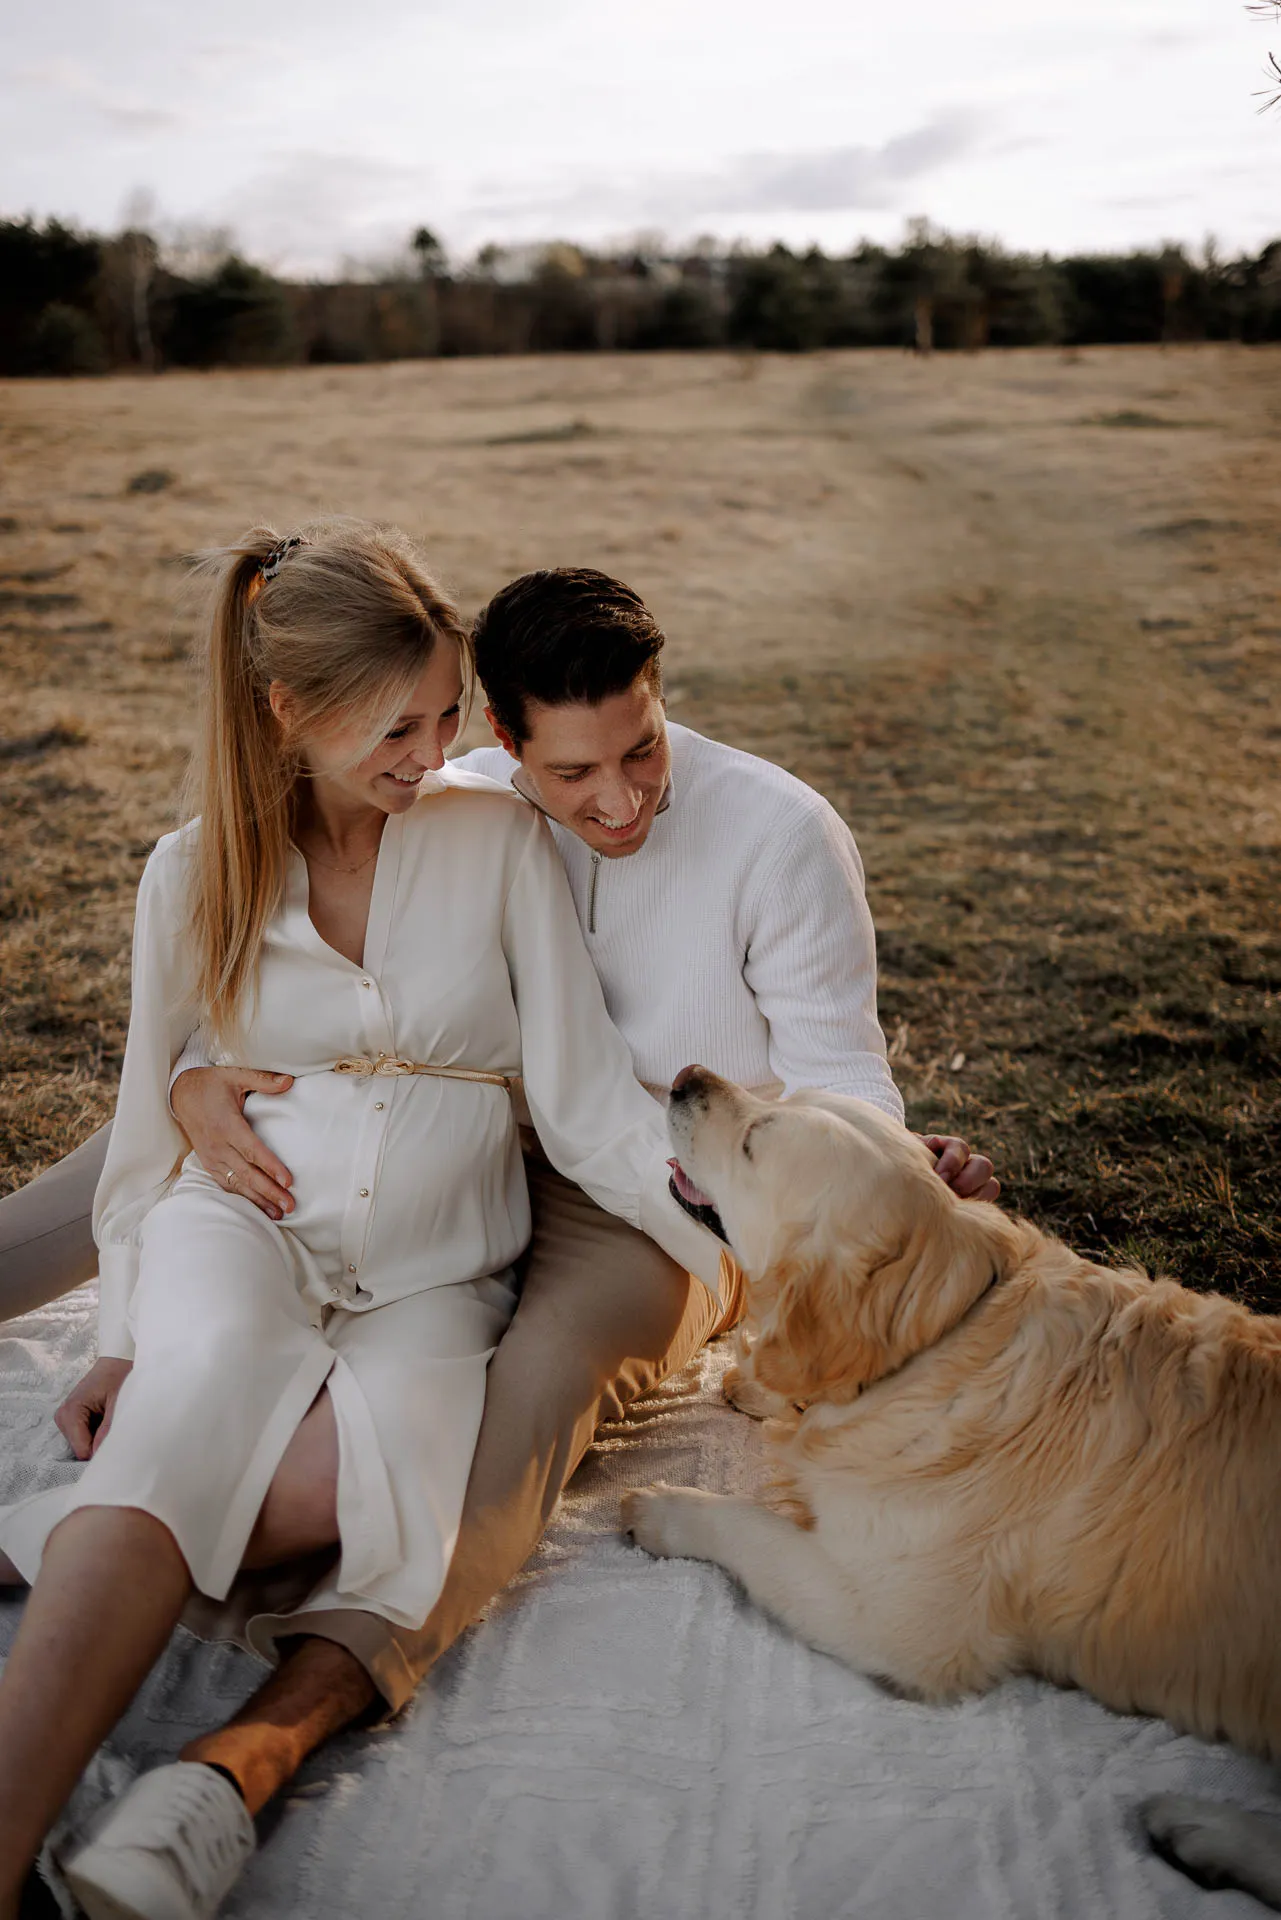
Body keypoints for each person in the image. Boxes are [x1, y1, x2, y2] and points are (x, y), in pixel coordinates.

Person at [0, 567, 996, 1914]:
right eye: (574, 769)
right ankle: (115, 1528)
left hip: (649, 1179)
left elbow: (823, 1081)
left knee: (508, 1409)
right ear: (508, 747)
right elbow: (223, 1023)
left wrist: (849, 1211)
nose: (623, 799)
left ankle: (234, 1753)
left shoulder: (769, 836)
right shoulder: (441, 795)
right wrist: (183, 1090)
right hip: (407, 1137)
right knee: (156, 1171)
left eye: (642, 748)